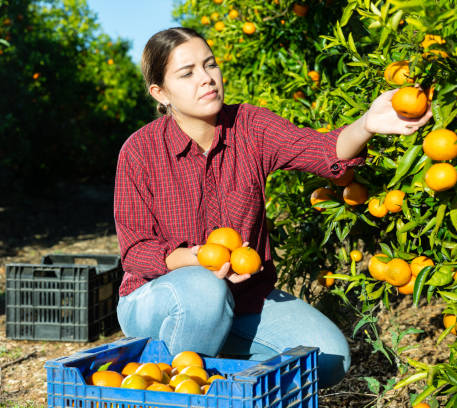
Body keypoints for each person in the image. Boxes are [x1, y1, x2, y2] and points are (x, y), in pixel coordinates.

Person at [114, 27, 432, 388]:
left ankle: (208, 356)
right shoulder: (140, 151)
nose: (206, 79)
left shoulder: (250, 126)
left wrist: (367, 125)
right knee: (205, 289)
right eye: (187, 73)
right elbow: (137, 252)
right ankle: (171, 385)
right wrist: (197, 258)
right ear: (161, 92)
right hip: (154, 299)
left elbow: (321, 151)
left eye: (210, 65)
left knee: (328, 359)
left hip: (242, 299)